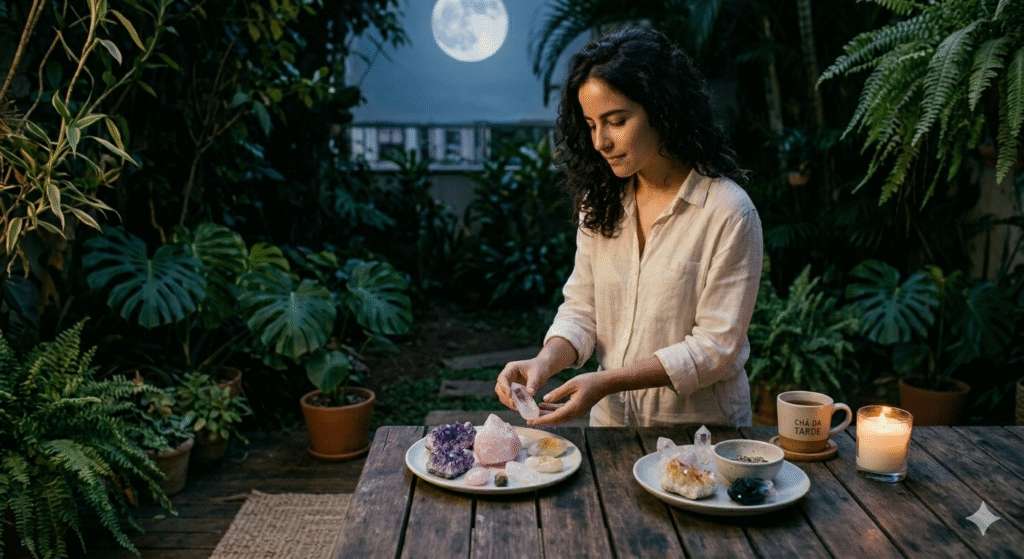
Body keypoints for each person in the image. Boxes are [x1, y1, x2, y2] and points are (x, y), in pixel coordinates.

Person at [494, 27, 763, 427]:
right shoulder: (601, 205)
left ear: (662, 109)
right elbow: (583, 308)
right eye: (590, 124)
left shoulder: (727, 212)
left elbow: (716, 348)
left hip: (701, 431)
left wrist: (605, 382)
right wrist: (545, 360)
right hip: (612, 430)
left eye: (616, 121)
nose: (600, 141)